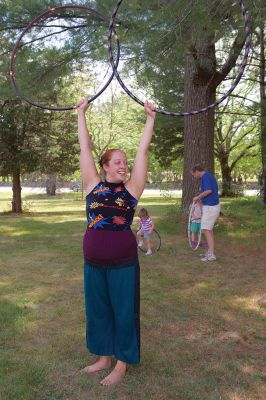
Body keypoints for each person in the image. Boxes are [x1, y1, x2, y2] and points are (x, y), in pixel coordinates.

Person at [76, 98, 156, 386]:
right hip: (93, 262)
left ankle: (122, 363)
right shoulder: (92, 185)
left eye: (125, 162)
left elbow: (142, 150)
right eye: (118, 162)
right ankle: (103, 357)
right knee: (98, 310)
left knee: (123, 311)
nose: (124, 166)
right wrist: (81, 114)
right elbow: (85, 148)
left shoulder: (132, 190)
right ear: (105, 166)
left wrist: (150, 119)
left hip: (123, 263)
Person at [191, 165, 220, 261]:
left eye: (193, 174)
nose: (194, 176)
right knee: (208, 230)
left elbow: (208, 191)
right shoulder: (207, 177)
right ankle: (210, 251)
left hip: (211, 207)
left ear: (196, 171)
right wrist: (200, 200)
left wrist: (198, 197)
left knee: (206, 230)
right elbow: (208, 192)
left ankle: (211, 255)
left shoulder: (205, 177)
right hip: (210, 206)